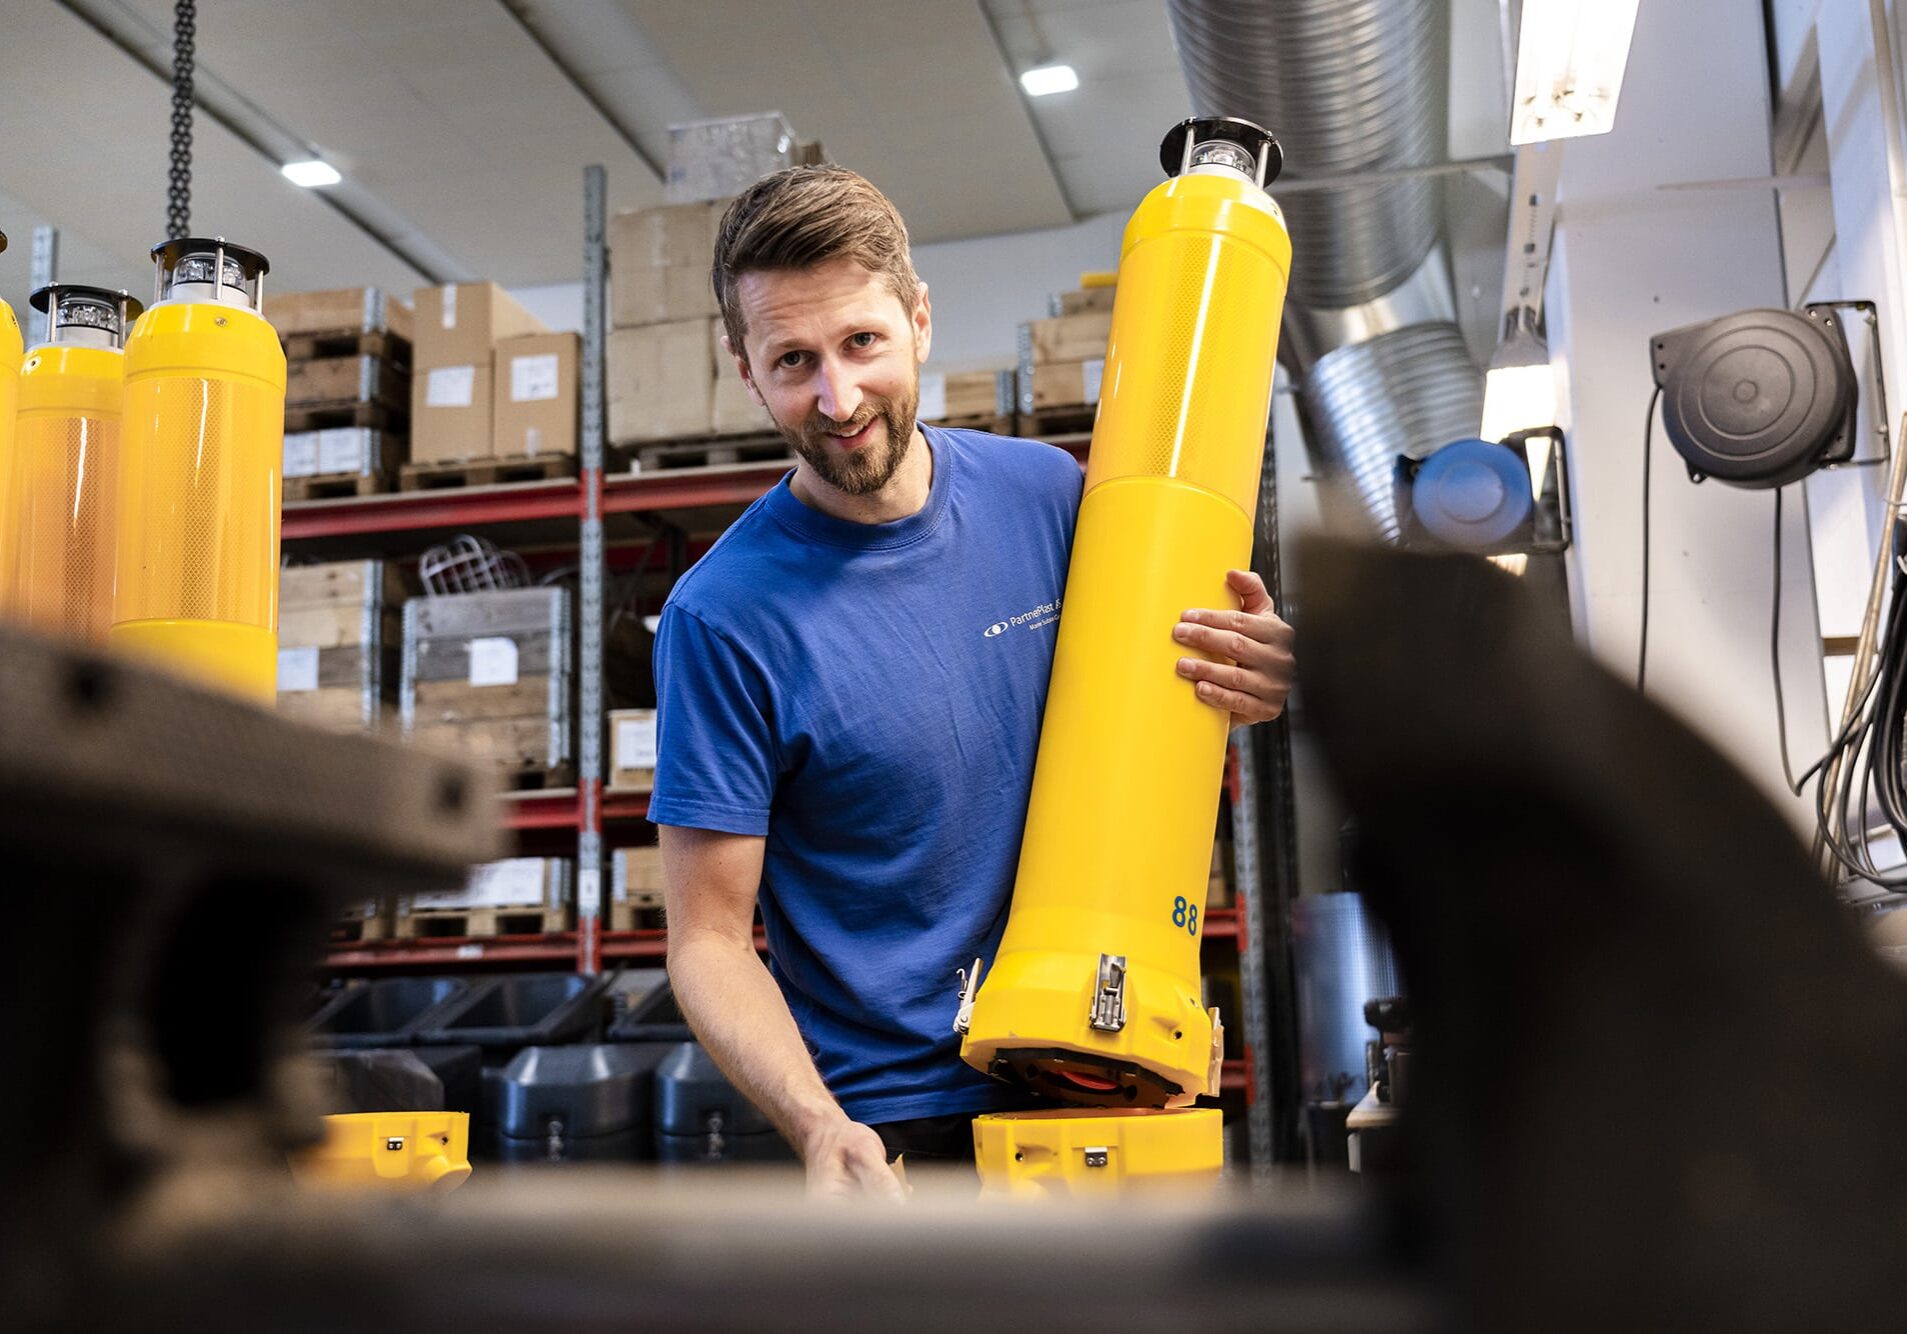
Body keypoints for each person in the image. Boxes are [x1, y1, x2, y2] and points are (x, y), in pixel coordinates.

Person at [649, 166, 1295, 1199]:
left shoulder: (1050, 498)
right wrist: (819, 1124)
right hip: (901, 1123)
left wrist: (1254, 674)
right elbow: (709, 939)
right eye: (791, 360)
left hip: (1102, 1057)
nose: (837, 397)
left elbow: (1168, 701)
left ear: (917, 319)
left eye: (862, 342)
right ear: (745, 370)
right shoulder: (721, 616)